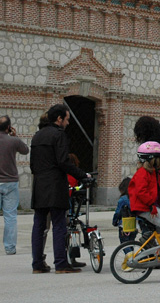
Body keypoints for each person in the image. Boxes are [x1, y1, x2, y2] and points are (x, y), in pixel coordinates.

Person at [30, 104, 89, 274]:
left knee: (39, 225)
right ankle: (61, 264)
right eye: (67, 119)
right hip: (55, 185)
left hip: (40, 184)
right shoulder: (59, 135)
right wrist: (82, 175)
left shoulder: (37, 136)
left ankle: (37, 264)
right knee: (59, 224)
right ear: (59, 119)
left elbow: (33, 164)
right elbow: (63, 161)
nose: (68, 123)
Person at [0, 114, 29, 255]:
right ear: (8, 127)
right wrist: (15, 136)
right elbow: (25, 150)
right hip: (10, 182)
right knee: (10, 216)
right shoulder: (13, 141)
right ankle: (10, 248)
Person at [111, 177, 136, 244]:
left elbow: (118, 213)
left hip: (125, 225)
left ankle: (129, 254)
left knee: (124, 244)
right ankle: (131, 254)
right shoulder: (135, 197)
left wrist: (115, 222)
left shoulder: (123, 199)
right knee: (131, 243)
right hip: (134, 224)